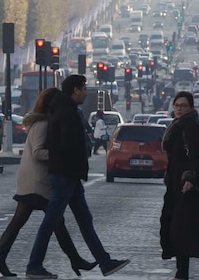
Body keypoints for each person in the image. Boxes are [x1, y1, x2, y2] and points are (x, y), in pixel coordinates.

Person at [25, 74, 130, 279]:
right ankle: (34, 264)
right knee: (51, 221)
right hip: (66, 175)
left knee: (84, 221)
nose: (85, 92)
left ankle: (105, 262)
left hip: (69, 175)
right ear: (74, 90)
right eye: (83, 88)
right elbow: (68, 144)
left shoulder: (65, 109)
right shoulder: (67, 112)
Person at [0, 88, 95, 277]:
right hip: (37, 182)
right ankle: (72, 260)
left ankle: (0, 259)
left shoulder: (43, 121)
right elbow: (38, 152)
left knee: (26, 222)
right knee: (54, 222)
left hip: (34, 180)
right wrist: (60, 156)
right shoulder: (43, 124)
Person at [159, 91, 199, 280]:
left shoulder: (191, 126)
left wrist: (189, 178)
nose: (179, 108)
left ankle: (184, 273)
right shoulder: (177, 125)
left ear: (190, 107)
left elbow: (196, 155)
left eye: (183, 105)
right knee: (178, 229)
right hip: (174, 185)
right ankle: (182, 272)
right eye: (177, 105)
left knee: (184, 231)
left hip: (187, 187)